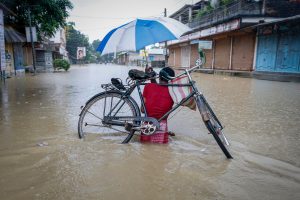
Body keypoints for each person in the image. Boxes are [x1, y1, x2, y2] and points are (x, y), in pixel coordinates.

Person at [140, 67, 175, 143]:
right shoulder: (173, 92)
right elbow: (162, 90)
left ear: (159, 77)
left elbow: (142, 110)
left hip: (147, 128)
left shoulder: (148, 86)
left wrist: (151, 77)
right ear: (171, 80)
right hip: (162, 130)